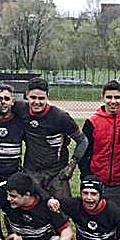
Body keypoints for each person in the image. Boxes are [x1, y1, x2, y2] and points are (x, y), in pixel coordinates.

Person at [15, 78, 86, 206]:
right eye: (33, 97)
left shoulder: (60, 117)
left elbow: (83, 141)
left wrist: (71, 166)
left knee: (61, 210)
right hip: (32, 171)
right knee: (32, 209)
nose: (37, 102)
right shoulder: (20, 109)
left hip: (57, 173)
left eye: (41, 98)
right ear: (27, 96)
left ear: (48, 96)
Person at [79, 81, 120, 217]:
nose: (113, 101)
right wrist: (88, 175)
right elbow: (83, 153)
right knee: (95, 221)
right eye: (109, 97)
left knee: (117, 220)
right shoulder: (92, 122)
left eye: (117, 97)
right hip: (97, 182)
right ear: (102, 98)